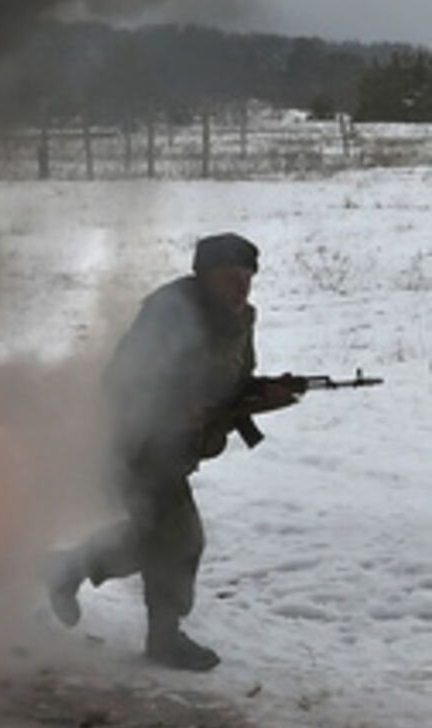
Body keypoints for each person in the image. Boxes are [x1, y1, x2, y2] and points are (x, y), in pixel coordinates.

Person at [47, 233, 299, 671]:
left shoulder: (240, 320)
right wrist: (175, 405)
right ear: (204, 277)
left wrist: (265, 393)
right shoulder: (171, 312)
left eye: (247, 277)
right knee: (182, 541)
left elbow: (231, 385)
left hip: (176, 450)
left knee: (151, 540)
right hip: (136, 445)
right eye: (229, 277)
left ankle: (68, 569)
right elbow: (121, 379)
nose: (241, 287)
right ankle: (164, 640)